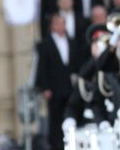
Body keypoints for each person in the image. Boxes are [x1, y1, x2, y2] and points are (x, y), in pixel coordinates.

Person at [36, 14, 83, 150]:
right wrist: (45, 88)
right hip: (54, 88)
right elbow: (42, 67)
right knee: (55, 118)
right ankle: (57, 145)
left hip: (70, 87)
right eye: (58, 23)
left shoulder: (72, 41)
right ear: (52, 25)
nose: (62, 26)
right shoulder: (45, 44)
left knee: (71, 113)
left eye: (63, 23)